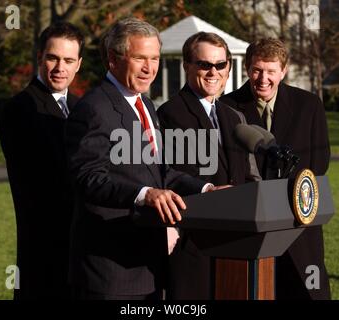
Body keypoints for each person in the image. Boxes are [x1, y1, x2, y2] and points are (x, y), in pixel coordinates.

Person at [64, 18, 220, 300]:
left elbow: (160, 172)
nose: (150, 68)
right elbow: (88, 179)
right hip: (110, 271)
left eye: (155, 59)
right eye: (139, 58)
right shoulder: (94, 108)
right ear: (113, 59)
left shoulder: (146, 104)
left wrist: (206, 190)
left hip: (148, 265)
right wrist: (144, 194)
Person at [220, 38, 331, 299]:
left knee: (309, 293)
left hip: (300, 224)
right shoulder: (226, 108)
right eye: (257, 70)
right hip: (250, 227)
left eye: (271, 71)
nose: (263, 78)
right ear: (247, 68)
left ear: (283, 70)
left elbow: (320, 162)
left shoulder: (309, 105)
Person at [157, 32, 260, 299]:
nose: (213, 72)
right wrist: (212, 191)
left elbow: (245, 175)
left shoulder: (232, 116)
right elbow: (175, 176)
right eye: (204, 64)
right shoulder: (171, 114)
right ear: (187, 66)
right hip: (194, 243)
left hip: (235, 242)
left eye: (220, 64)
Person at [0, 22, 84, 299]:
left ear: (79, 64)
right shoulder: (19, 110)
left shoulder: (83, 107)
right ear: (39, 58)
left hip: (82, 249)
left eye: (69, 60)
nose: (61, 67)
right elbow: (44, 182)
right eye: (53, 57)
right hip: (43, 248)